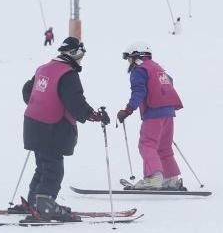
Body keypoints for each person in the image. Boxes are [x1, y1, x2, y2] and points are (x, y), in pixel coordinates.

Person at [19, 37, 108, 222]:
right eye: (81, 55)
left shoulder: (43, 68)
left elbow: (28, 90)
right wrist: (94, 115)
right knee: (53, 169)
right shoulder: (68, 74)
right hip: (52, 127)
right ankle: (44, 206)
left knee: (43, 166)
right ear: (74, 53)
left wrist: (40, 106)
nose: (81, 60)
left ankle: (34, 202)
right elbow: (75, 102)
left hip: (33, 124)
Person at [116, 47, 185, 190]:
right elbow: (169, 82)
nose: (129, 62)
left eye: (130, 59)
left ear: (137, 56)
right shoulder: (157, 67)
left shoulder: (140, 70)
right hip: (168, 112)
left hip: (154, 113)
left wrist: (127, 110)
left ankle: (153, 178)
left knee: (147, 145)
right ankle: (171, 179)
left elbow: (139, 92)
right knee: (163, 147)